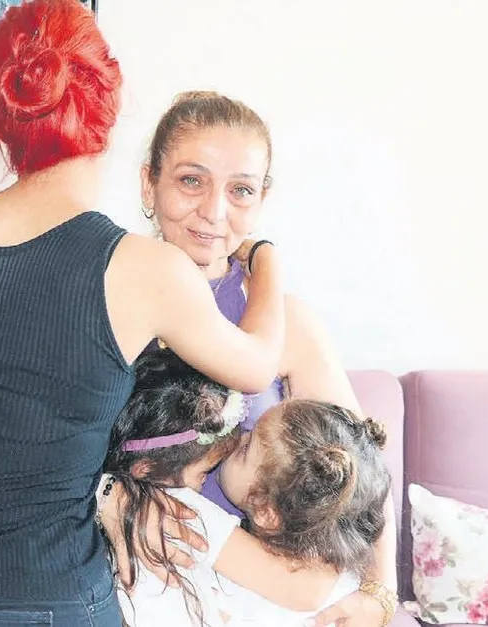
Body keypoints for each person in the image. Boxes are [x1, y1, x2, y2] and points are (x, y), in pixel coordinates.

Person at [0, 1, 287, 623]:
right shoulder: (145, 269)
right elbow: (257, 364)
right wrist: (266, 259)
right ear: (108, 112)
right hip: (58, 600)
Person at [138, 90, 399, 626]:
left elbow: (363, 477)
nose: (214, 212)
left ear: (261, 200)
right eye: (191, 180)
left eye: (240, 190)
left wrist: (379, 592)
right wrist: (117, 500)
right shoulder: (110, 307)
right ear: (149, 184)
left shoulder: (288, 324)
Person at [100, 348, 393, 626]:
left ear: (266, 512)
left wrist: (107, 489)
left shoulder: (187, 516)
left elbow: (306, 592)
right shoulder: (343, 579)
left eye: (245, 449)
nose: (239, 437)